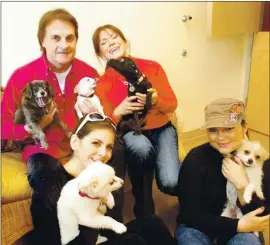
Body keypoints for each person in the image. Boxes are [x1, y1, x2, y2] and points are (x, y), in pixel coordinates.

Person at [1, 8, 125, 238]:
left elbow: (103, 113)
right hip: (43, 150)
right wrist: (27, 129)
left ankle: (111, 233)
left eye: (70, 38)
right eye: (56, 38)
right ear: (42, 41)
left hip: (83, 148)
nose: (64, 45)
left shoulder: (88, 73)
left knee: (116, 153)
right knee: (45, 181)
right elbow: (3, 125)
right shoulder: (22, 76)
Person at [30, 112, 177, 245]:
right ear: (75, 142)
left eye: (109, 147)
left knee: (152, 224)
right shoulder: (52, 186)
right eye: (95, 143)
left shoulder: (99, 176)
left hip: (97, 237)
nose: (103, 153)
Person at [92, 24, 181, 218]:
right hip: (132, 131)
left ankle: (186, 193)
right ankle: (143, 204)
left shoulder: (152, 66)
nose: (111, 43)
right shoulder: (103, 83)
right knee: (140, 147)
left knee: (170, 182)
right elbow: (104, 123)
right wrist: (118, 111)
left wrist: (156, 101)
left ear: (124, 41)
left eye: (114, 37)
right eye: (104, 42)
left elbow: (173, 104)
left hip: (162, 128)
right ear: (100, 53)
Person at [175, 98, 270, 245]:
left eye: (228, 128)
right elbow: (189, 214)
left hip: (244, 230)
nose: (220, 137)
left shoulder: (261, 161)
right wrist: (236, 226)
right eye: (213, 130)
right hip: (199, 228)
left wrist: (242, 186)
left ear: (245, 128)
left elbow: (263, 216)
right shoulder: (196, 159)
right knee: (188, 238)